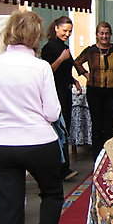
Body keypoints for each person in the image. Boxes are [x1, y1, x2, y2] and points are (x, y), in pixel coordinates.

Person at [0, 10, 64, 224]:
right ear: (35, 36)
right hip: (37, 140)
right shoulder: (40, 67)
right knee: (52, 194)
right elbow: (53, 113)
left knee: (10, 206)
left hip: (0, 142)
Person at [74, 22, 113, 159]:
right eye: (101, 33)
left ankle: (109, 157)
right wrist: (86, 74)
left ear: (110, 35)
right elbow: (77, 62)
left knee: (109, 124)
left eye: (107, 33)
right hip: (94, 91)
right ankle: (97, 156)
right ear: (97, 35)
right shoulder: (90, 51)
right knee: (97, 124)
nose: (104, 36)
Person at [41, 16, 81, 181]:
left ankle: (64, 167)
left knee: (65, 129)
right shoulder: (49, 48)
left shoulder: (64, 47)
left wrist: (74, 80)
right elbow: (47, 71)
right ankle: (60, 169)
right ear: (56, 28)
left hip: (65, 92)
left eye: (70, 31)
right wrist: (61, 58)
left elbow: (64, 71)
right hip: (55, 94)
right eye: (65, 31)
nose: (67, 34)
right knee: (59, 129)